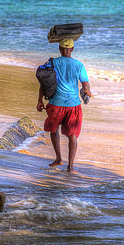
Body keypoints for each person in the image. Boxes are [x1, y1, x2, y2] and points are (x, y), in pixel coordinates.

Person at [37, 38, 92, 173]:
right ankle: (71, 166)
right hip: (73, 105)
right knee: (72, 135)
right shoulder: (79, 65)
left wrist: (40, 101)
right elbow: (86, 86)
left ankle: (58, 158)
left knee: (54, 130)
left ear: (60, 49)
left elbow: (44, 83)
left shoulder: (52, 62)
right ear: (72, 49)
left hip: (56, 103)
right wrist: (87, 93)